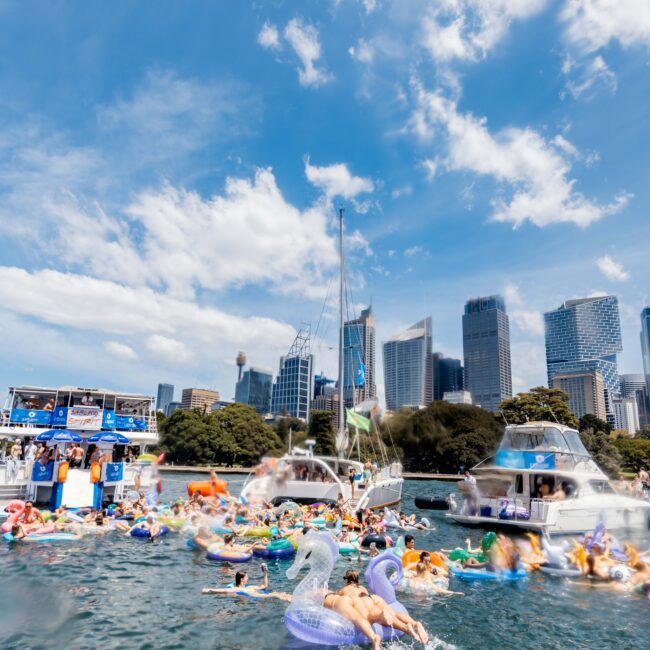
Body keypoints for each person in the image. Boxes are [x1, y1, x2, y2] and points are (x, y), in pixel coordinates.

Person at [331, 570, 429, 648]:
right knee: (394, 613)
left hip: (360, 601)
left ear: (346, 580)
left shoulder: (343, 590)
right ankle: (415, 624)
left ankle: (381, 615)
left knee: (367, 616)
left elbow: (339, 600)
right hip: (373, 598)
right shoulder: (361, 587)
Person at [202, 564, 291, 601]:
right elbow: (223, 590)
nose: (248, 578)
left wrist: (265, 573)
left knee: (278, 593)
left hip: (263, 594)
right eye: (246, 577)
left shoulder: (250, 587)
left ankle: (295, 598)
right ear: (242, 579)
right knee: (276, 595)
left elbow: (264, 586)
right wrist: (209, 590)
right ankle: (291, 600)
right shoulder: (236, 589)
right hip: (262, 596)